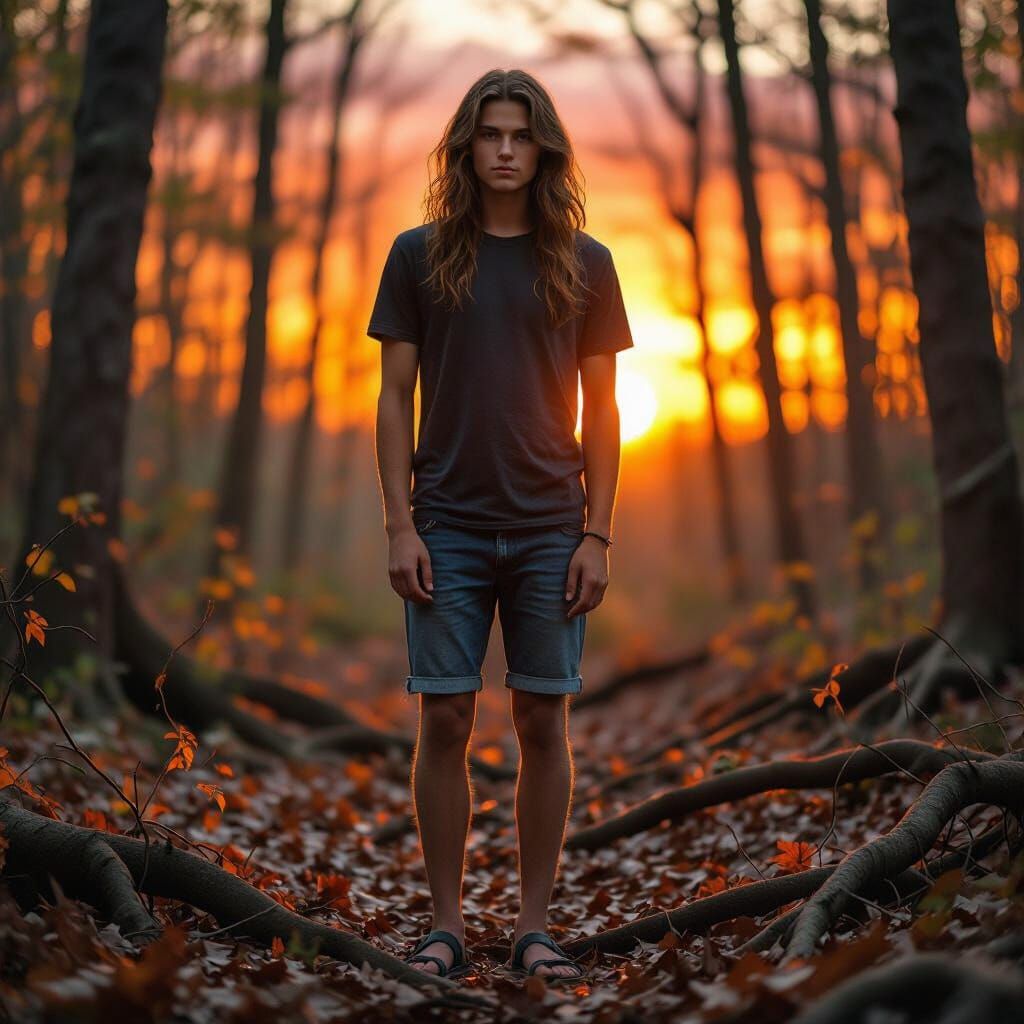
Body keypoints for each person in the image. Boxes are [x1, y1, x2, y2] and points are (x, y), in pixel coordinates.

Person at [367, 67, 633, 983]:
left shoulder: (587, 262)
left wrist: (598, 535)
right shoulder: (418, 255)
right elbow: (394, 396)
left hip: (554, 526)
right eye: (491, 135)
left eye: (521, 135)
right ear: (466, 148)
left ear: (544, 148)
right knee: (445, 718)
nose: (506, 150)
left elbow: (605, 409)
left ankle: (533, 927)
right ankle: (445, 926)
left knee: (542, 720)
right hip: (446, 525)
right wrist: (399, 525)